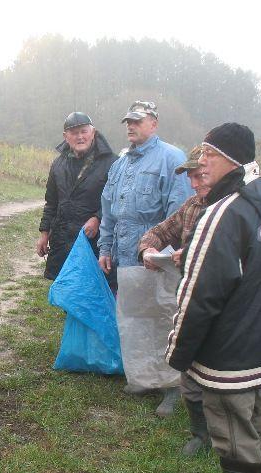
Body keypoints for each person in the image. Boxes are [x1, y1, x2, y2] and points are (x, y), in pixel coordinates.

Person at [166, 123, 261, 473]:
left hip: (230, 353)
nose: (201, 161)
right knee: (259, 420)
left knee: (233, 431)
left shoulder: (223, 213)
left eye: (208, 153)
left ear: (230, 160)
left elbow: (199, 294)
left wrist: (179, 352)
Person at [98, 100, 192, 417]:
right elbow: (109, 209)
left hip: (158, 259)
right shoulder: (121, 163)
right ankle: (143, 377)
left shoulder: (171, 158)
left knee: (165, 319)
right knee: (134, 319)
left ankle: (172, 387)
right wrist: (105, 248)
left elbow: (179, 215)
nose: (131, 126)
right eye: (128, 121)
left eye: (138, 121)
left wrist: (163, 254)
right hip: (126, 257)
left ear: (154, 123)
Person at [138, 146, 212, 455]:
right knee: (185, 352)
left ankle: (216, 431)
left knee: (212, 364)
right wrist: (147, 251)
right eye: (190, 177)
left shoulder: (231, 209)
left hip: (218, 299)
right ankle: (199, 433)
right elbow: (157, 232)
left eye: (200, 177)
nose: (193, 185)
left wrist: (192, 254)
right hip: (187, 297)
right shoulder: (191, 206)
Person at [36, 112, 116, 283]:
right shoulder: (58, 164)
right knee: (67, 291)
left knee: (93, 291)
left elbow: (118, 199)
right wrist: (44, 233)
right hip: (63, 240)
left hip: (95, 242)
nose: (80, 137)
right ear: (66, 137)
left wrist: (98, 218)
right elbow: (51, 203)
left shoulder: (112, 163)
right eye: (74, 133)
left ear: (93, 132)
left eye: (84, 131)